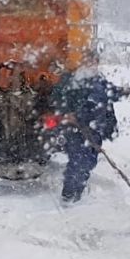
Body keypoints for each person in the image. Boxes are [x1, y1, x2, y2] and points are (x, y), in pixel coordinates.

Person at [49, 67, 123, 203]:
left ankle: (76, 193)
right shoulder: (68, 80)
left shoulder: (99, 81)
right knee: (78, 162)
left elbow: (110, 93)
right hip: (76, 130)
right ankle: (69, 195)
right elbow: (57, 100)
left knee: (88, 161)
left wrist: (122, 91)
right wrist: (68, 114)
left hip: (94, 130)